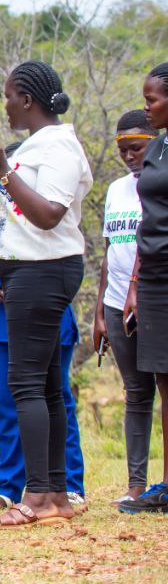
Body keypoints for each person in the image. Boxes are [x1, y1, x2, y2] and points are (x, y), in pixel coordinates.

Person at [0, 63, 92, 527]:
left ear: (26, 98)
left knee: (28, 384)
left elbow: (47, 215)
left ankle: (41, 495)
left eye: (7, 96)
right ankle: (56, 495)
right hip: (27, 273)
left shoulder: (60, 145)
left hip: (43, 273)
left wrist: (4, 170)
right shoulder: (37, 145)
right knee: (44, 386)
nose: (4, 105)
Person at [0, 163, 86, 513]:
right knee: (4, 405)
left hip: (45, 312)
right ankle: (11, 486)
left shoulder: (46, 208)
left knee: (55, 398)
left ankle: (69, 484)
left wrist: (6, 279)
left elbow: (53, 255)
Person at [93, 110, 159, 508]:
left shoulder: (159, 187)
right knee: (136, 393)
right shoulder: (117, 189)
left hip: (153, 299)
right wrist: (101, 311)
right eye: (122, 150)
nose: (129, 156)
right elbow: (109, 250)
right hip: (117, 303)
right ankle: (136, 484)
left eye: (136, 148)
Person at [114, 62, 168, 515]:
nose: (147, 107)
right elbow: (146, 220)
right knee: (162, 381)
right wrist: (134, 282)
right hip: (153, 276)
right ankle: (166, 485)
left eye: (152, 99)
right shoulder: (159, 148)